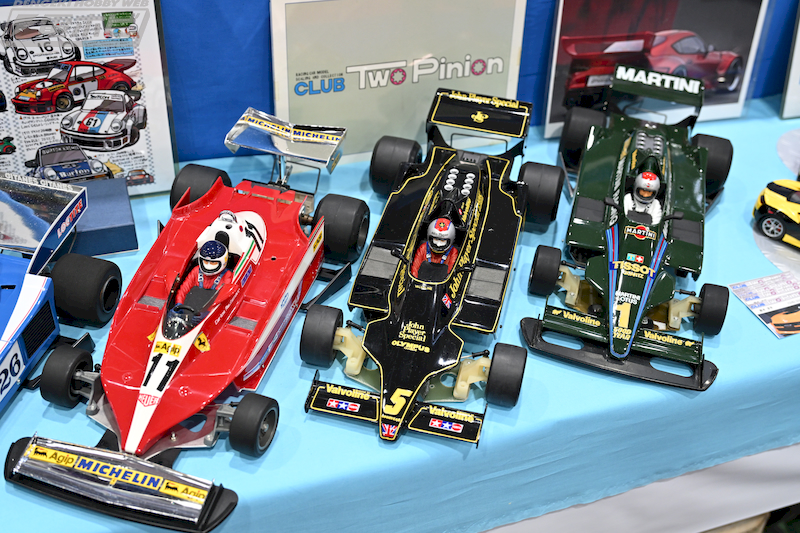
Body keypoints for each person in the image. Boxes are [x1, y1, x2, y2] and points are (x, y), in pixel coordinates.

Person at [176, 239, 233, 304]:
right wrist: (178, 304)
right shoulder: (196, 271)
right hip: (190, 307)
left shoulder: (227, 275)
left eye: (213, 263)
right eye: (205, 262)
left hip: (211, 308)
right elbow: (183, 290)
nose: (208, 266)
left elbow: (222, 297)